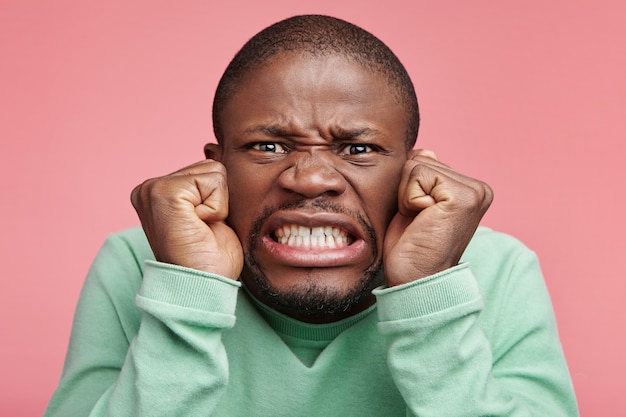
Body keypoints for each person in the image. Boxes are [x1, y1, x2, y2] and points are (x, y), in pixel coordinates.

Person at [44, 15, 578, 416]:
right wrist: (187, 294)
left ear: (414, 175)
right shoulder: (140, 263)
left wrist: (429, 298)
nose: (310, 178)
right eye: (269, 146)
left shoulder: (498, 270)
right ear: (216, 168)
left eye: (359, 150)